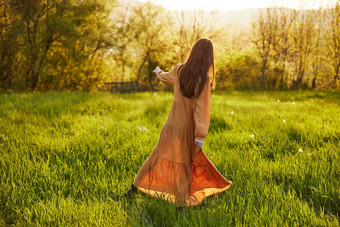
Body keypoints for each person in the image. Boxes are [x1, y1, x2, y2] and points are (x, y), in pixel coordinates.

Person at [124, 38, 232, 207]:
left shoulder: (179, 69)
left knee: (156, 157)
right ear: (208, 58)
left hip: (171, 125)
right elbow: (201, 110)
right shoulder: (204, 79)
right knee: (185, 164)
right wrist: (200, 136)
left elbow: (166, 78)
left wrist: (158, 71)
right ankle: (181, 203)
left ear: (193, 52)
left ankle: (133, 189)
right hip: (188, 128)